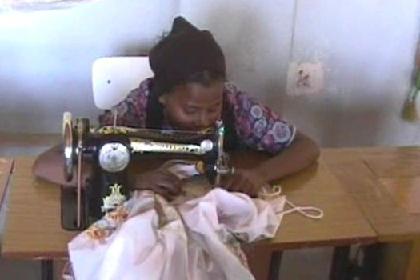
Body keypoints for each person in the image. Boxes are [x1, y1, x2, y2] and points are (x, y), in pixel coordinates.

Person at [33, 16, 319, 199]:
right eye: (191, 110)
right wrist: (131, 180)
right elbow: (47, 164)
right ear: (162, 97)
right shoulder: (136, 108)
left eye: (213, 108)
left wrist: (260, 175)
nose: (204, 119)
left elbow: (306, 146)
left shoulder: (236, 104)